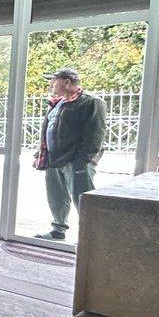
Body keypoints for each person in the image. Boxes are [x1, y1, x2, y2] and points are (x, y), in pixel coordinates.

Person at [32, 67, 105, 241]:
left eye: (54, 80)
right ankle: (58, 230)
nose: (51, 84)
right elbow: (50, 129)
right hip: (54, 158)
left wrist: (82, 160)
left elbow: (96, 133)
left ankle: (90, 237)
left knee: (82, 198)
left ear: (66, 82)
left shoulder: (91, 102)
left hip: (76, 160)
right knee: (56, 196)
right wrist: (41, 153)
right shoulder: (58, 103)